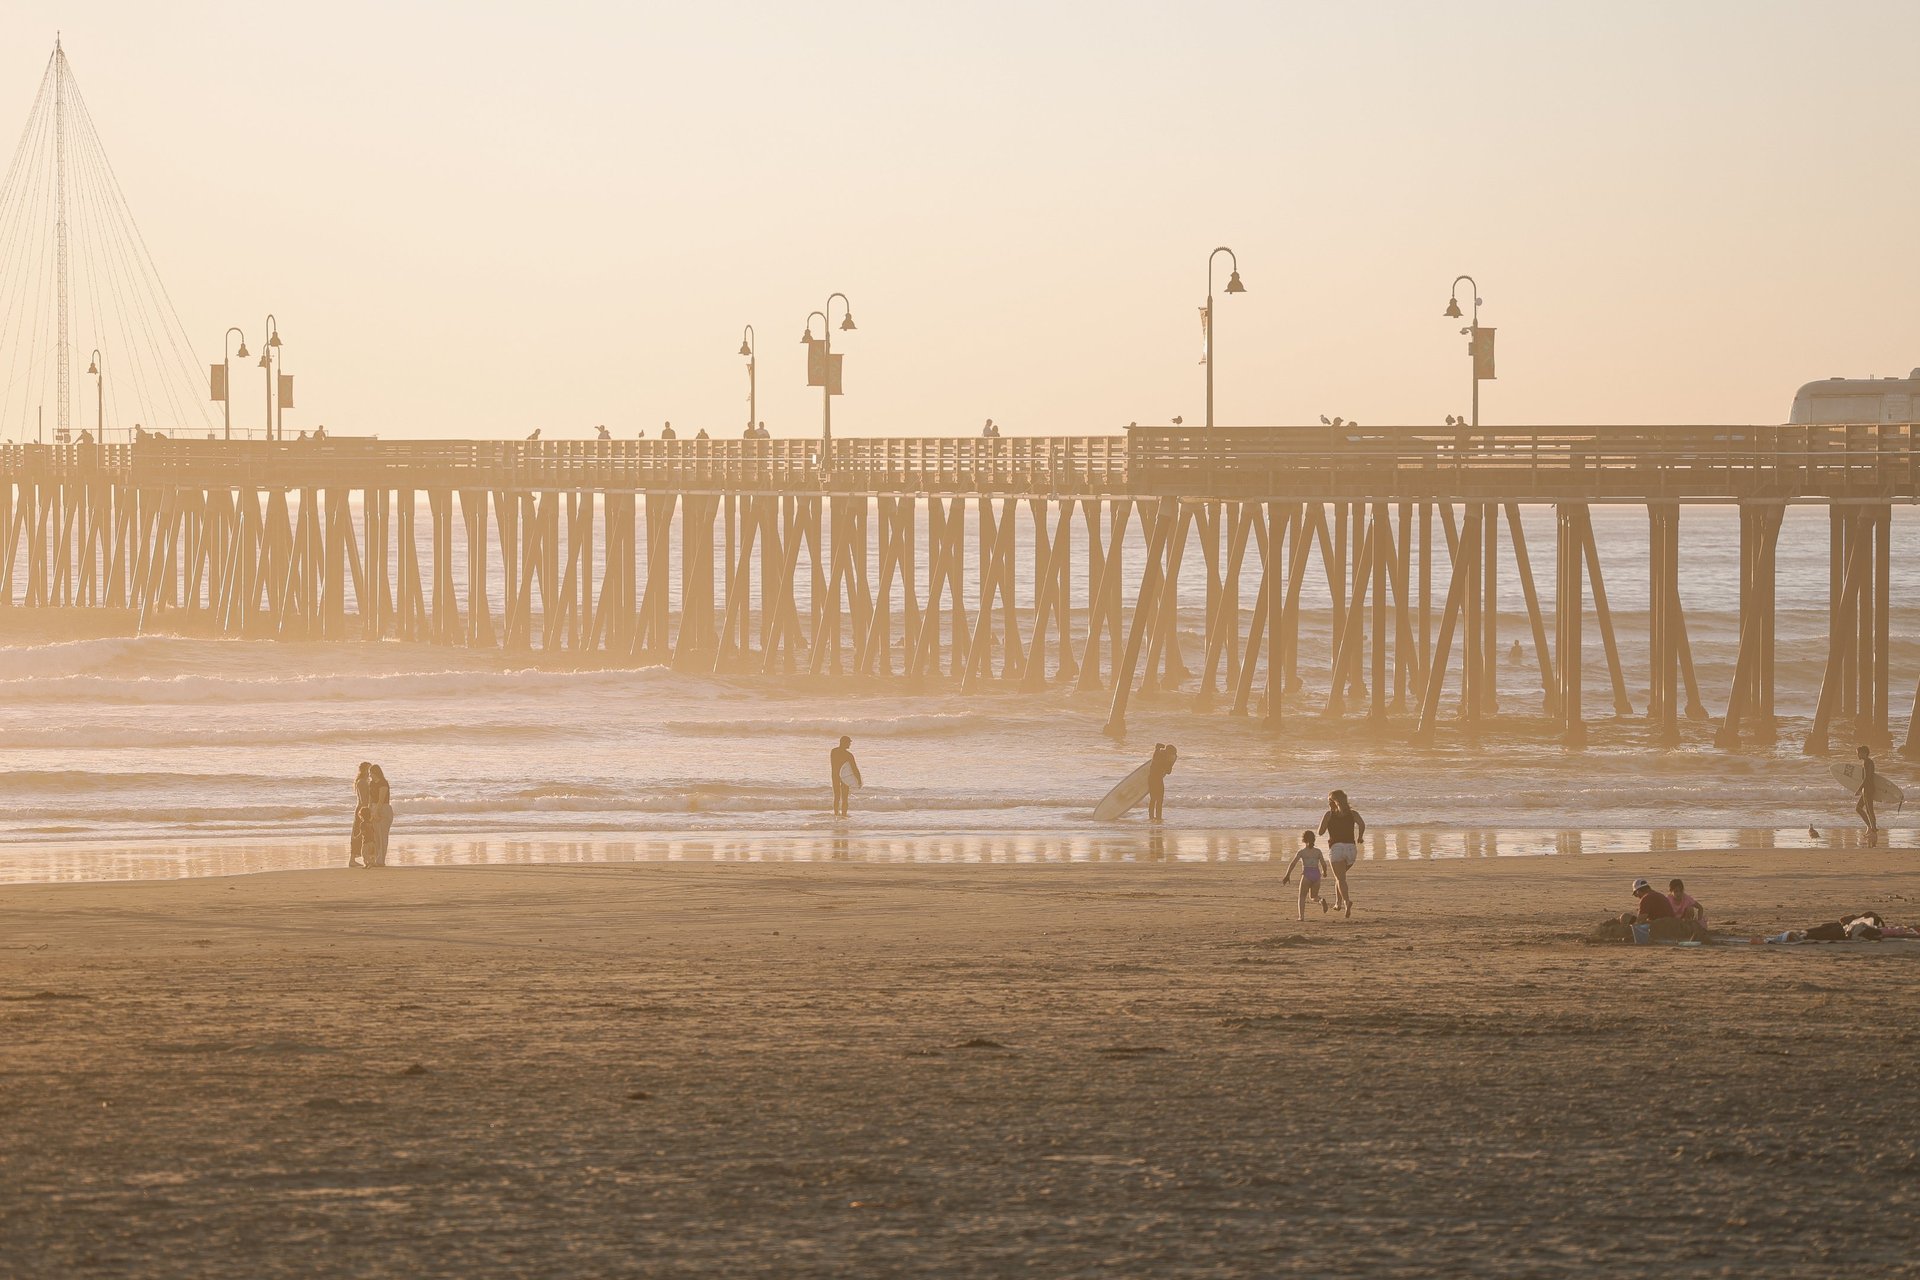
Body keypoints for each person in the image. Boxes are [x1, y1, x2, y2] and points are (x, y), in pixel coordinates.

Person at [1318, 789, 1364, 918]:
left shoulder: (1329, 815)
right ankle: (1338, 903)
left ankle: (1346, 901)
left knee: (1341, 879)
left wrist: (1326, 823)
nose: (1328, 804)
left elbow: (1320, 832)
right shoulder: (1353, 813)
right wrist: (1360, 836)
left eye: (1329, 801)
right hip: (1351, 849)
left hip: (1337, 849)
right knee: (1340, 877)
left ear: (1333, 802)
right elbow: (1362, 824)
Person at [1280, 830, 1330, 921]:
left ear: (1303, 840)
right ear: (1314, 840)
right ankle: (1321, 900)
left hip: (1307, 874)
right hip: (1316, 874)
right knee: (1313, 897)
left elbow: (1293, 864)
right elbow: (1324, 864)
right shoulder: (1318, 851)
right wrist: (1324, 872)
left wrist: (1287, 875)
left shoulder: (1302, 852)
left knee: (1302, 896)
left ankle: (1301, 917)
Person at [365, 765, 395, 868]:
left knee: (382, 836)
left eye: (371, 773)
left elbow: (381, 800)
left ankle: (381, 860)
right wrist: (370, 812)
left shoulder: (383, 783)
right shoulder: (372, 783)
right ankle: (377, 858)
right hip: (374, 808)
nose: (370, 775)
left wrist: (377, 812)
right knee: (376, 837)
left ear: (375, 773)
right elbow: (370, 798)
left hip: (384, 809)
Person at [348, 762, 374, 868]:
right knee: (360, 833)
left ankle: (357, 858)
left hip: (362, 809)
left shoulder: (361, 781)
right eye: (369, 770)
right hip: (363, 810)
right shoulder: (362, 782)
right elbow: (364, 800)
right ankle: (352, 859)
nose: (370, 772)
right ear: (364, 770)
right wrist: (368, 813)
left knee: (360, 833)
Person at [830, 735, 862, 818]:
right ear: (844, 743)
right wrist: (859, 780)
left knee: (836, 796)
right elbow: (854, 768)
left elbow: (835, 765)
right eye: (848, 742)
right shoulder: (849, 755)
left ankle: (836, 814)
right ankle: (844, 815)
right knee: (844, 798)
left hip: (835, 776)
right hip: (845, 778)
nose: (849, 744)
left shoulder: (833, 751)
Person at [1146, 743, 1176, 821]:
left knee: (1157, 799)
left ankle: (1155, 817)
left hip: (1157, 779)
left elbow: (1168, 771)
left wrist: (1171, 762)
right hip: (1154, 779)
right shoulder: (1160, 757)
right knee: (1156, 799)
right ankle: (1154, 817)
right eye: (1171, 753)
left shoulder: (1160, 755)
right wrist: (1171, 762)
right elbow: (1168, 771)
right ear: (1168, 752)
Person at [1854, 745, 1879, 840]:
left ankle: (1874, 831)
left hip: (1868, 789)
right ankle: (1869, 827)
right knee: (1858, 808)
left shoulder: (1867, 762)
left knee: (1869, 810)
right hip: (1867, 788)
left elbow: (1867, 777)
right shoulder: (1867, 762)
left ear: (1864, 753)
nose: (1857, 755)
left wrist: (1859, 789)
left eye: (1858, 753)